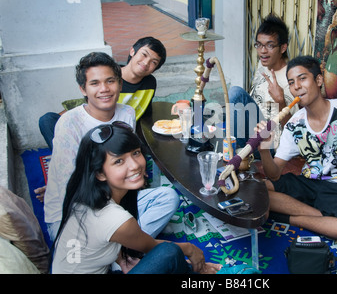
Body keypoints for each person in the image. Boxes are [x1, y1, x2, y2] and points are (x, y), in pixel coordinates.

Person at [43, 52, 178, 242]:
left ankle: (124, 246)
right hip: (76, 211)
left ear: (120, 84)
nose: (104, 89)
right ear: (83, 89)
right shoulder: (69, 123)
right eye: (95, 83)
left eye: (110, 81)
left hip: (117, 200)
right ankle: (126, 247)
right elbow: (72, 187)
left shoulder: (127, 113)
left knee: (168, 197)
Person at [51, 123, 221, 274]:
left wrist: (121, 258)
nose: (135, 165)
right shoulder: (115, 218)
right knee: (169, 253)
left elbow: (102, 235)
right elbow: (153, 247)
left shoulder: (86, 195)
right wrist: (190, 249)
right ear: (100, 173)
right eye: (118, 161)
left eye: (136, 153)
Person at [256, 56, 337, 242]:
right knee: (256, 191)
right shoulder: (294, 124)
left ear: (319, 80)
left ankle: (293, 219)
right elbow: (274, 174)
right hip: (309, 183)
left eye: (302, 78)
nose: (296, 86)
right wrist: (264, 149)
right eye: (291, 82)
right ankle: (319, 216)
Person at [38, 36, 166, 151]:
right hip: (94, 123)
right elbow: (87, 106)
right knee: (47, 120)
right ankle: (69, 158)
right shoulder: (108, 75)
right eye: (144, 54)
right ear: (132, 51)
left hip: (121, 131)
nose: (146, 62)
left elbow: (145, 113)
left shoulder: (149, 84)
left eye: (154, 62)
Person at [228, 13, 299, 149]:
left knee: (236, 93)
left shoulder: (292, 78)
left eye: (269, 46)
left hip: (272, 144)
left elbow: (294, 131)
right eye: (259, 45)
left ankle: (238, 155)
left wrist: (280, 101)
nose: (262, 51)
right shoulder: (263, 65)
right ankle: (237, 152)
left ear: (283, 48)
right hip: (253, 132)